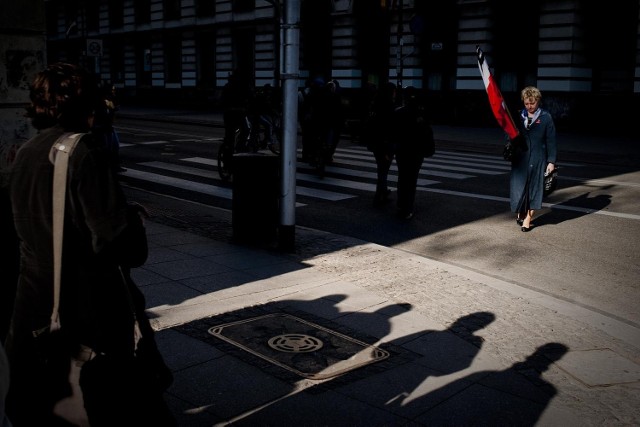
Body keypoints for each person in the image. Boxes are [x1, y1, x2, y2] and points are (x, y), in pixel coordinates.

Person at [5, 62, 174, 426]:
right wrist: (130, 220)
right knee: (108, 405)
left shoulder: (27, 151)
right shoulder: (83, 151)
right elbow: (119, 246)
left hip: (31, 308)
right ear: (86, 106)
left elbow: (49, 216)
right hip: (81, 311)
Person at [510, 86, 557, 232]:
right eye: (526, 103)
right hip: (520, 159)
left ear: (538, 101)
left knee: (535, 189)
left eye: (532, 103)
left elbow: (551, 140)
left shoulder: (545, 117)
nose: (529, 106)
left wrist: (551, 161)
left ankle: (528, 219)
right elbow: (510, 134)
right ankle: (521, 211)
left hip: (538, 158)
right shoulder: (519, 116)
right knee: (519, 188)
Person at [393, 86, 434, 220]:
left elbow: (393, 132)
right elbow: (427, 132)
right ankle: (408, 207)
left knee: (402, 177)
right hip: (416, 151)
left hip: (402, 150)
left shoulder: (398, 112)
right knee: (412, 179)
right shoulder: (420, 113)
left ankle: (401, 203)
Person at [364, 82, 397, 207]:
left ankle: (383, 192)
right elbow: (388, 127)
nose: (395, 94)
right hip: (385, 143)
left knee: (381, 169)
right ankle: (379, 195)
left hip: (376, 142)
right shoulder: (388, 106)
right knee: (383, 169)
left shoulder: (375, 104)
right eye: (393, 91)